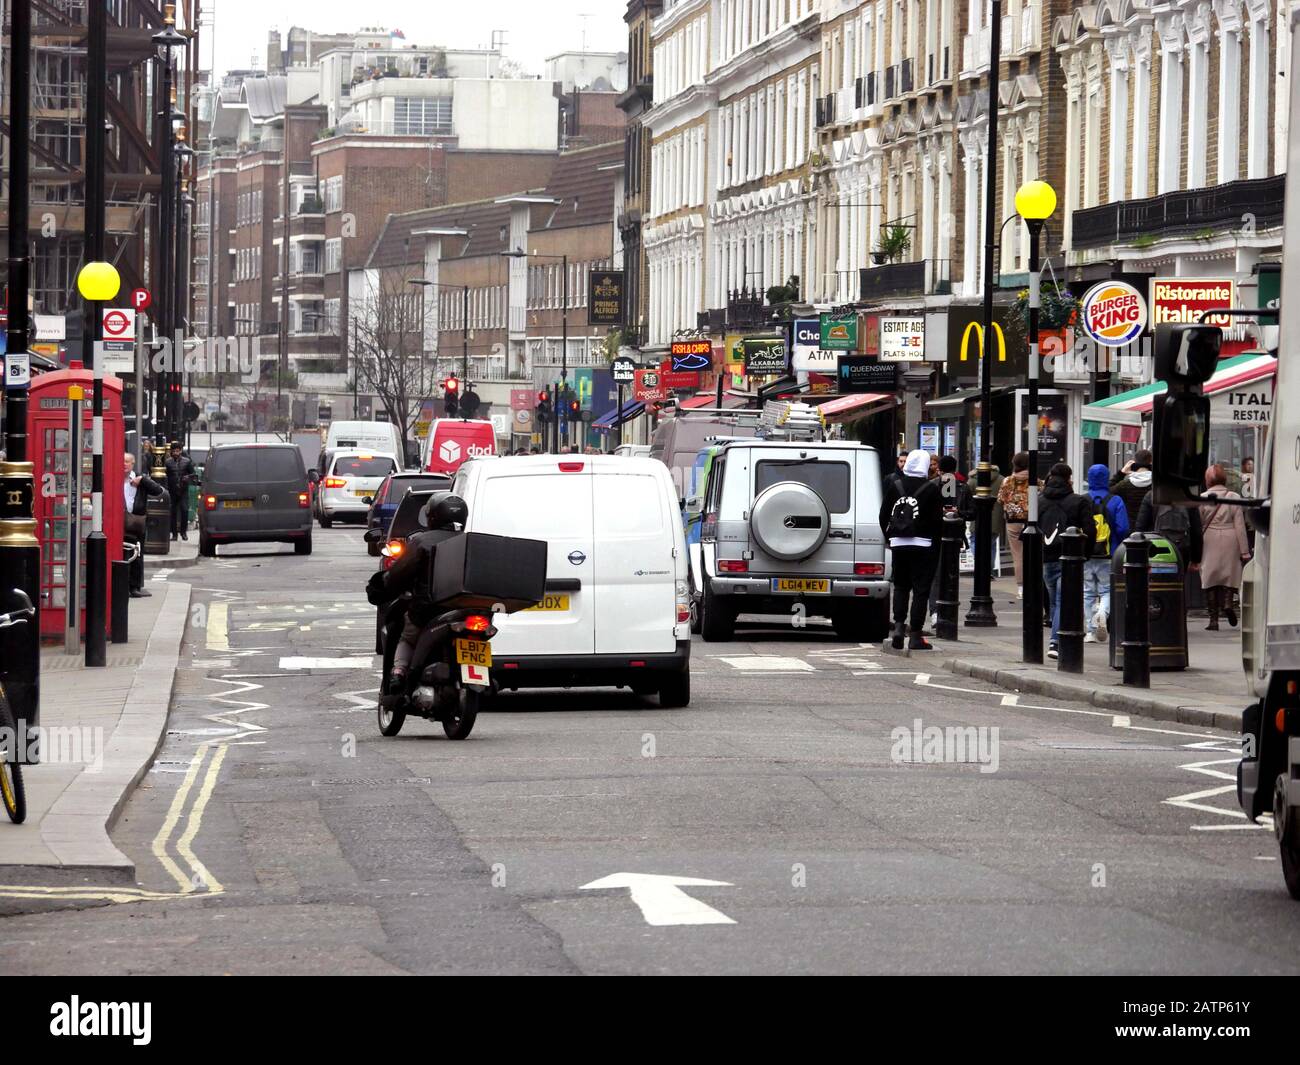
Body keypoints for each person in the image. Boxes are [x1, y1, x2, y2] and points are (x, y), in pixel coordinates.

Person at [366, 494, 468, 692]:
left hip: (429, 609)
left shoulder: (421, 541)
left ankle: (399, 672)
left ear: (433, 517)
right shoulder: (470, 540)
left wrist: (385, 584)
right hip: (466, 607)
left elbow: (400, 573)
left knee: (407, 636)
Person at [879, 449, 944, 651]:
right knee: (921, 590)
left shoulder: (895, 486)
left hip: (899, 544)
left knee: (900, 586)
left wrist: (891, 537)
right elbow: (937, 521)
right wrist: (934, 543)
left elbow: (883, 515)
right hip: (923, 545)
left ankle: (898, 628)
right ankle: (915, 635)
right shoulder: (932, 489)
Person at [1038, 463, 1097, 659]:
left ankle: (1058, 640)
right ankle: (1055, 642)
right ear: (1069, 478)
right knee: (1063, 601)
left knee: (1055, 602)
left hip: (1047, 557)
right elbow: (1090, 531)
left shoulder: (1039, 500)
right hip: (1070, 559)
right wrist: (1085, 556)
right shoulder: (1078, 501)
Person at [1198, 464, 1250, 630]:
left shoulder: (1203, 497)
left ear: (1208, 480)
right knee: (1231, 573)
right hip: (1231, 537)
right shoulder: (1233, 496)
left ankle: (1213, 620)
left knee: (1209, 577)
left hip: (1209, 538)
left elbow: (1198, 524)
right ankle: (1228, 603)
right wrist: (1245, 551)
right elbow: (1240, 525)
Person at [1083, 463, 1130, 643]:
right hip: (1110, 553)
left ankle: (1090, 631)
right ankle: (1102, 613)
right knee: (1106, 590)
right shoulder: (1115, 500)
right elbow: (1123, 528)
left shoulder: (1083, 500)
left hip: (1087, 554)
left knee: (1087, 592)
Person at [1135, 481, 1203, 575]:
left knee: (1155, 582)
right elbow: (1196, 530)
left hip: (1156, 549)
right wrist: (1196, 559)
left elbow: (1140, 527)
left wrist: (1138, 554)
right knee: (1179, 582)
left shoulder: (1151, 496)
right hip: (1182, 550)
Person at [122, 452, 163, 598]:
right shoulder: (113, 478)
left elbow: (159, 491)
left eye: (127, 462)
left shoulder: (140, 479)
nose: (124, 464)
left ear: (133, 464)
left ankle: (135, 587)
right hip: (118, 522)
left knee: (137, 554)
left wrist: (143, 481)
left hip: (136, 522)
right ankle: (120, 586)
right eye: (122, 461)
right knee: (120, 554)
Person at [997, 452, 1031, 597]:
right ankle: (1033, 582)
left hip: (1013, 521)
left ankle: (1021, 588)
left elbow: (1000, 499)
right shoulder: (1035, 480)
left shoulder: (1007, 481)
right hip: (1031, 521)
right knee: (1033, 554)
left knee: (1018, 555)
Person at [1108, 450, 1154, 529]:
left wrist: (1121, 473)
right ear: (1151, 462)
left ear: (1134, 463)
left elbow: (1108, 491)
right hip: (1152, 529)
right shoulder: (1157, 485)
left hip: (1131, 529)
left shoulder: (1125, 485)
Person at [164, 442, 197, 541]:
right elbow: (165, 476)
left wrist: (187, 477)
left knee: (184, 510)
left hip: (183, 490)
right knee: (172, 512)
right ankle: (174, 534)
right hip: (172, 490)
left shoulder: (186, 461)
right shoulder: (168, 462)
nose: (175, 453)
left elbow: (193, 474)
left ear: (181, 451)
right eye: (173, 451)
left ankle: (183, 532)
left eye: (177, 451)